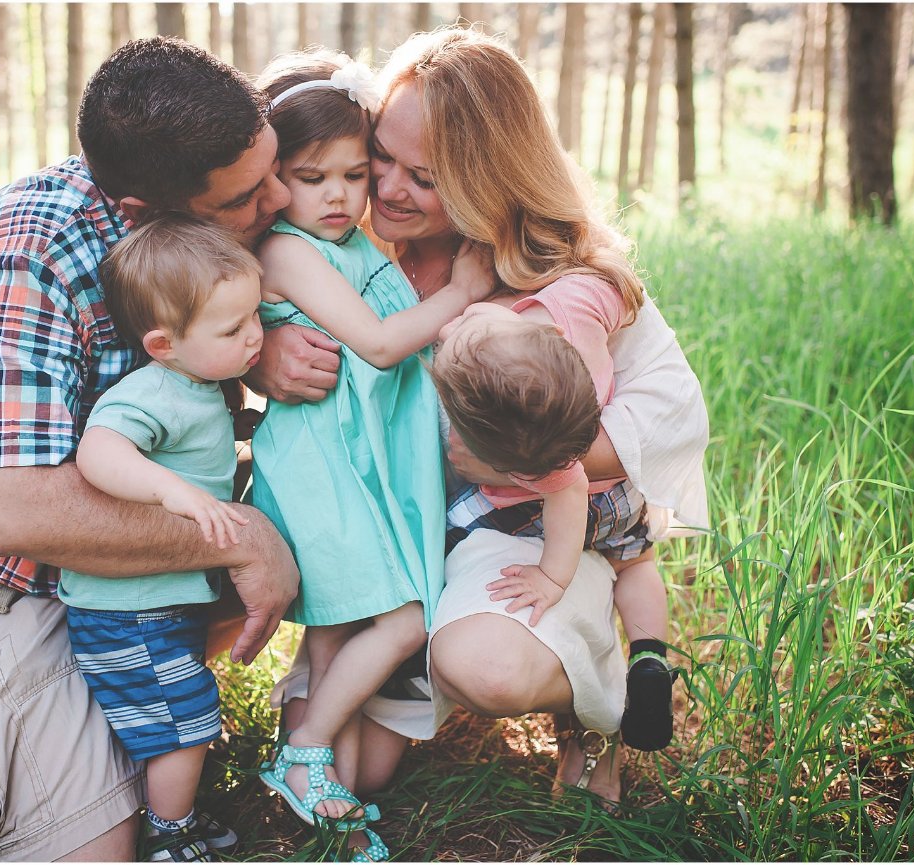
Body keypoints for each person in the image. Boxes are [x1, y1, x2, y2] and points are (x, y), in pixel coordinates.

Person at [0, 37, 297, 862]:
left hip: (102, 553)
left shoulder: (209, 200)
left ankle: (83, 710)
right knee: (95, 848)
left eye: (272, 168)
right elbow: (10, 513)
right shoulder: (26, 255)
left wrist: (283, 338)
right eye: (245, 197)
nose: (280, 196)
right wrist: (240, 536)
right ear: (139, 212)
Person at [249, 27, 708, 808]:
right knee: (359, 774)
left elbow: (572, 455)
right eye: (378, 158)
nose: (383, 188)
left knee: (485, 666)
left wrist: (483, 457)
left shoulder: (549, 291)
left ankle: (587, 703)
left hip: (520, 525)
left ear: (482, 181)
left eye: (420, 176)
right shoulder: (352, 225)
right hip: (395, 529)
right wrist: (267, 349)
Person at [245, 51, 492, 860]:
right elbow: (382, 348)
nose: (340, 196)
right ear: (275, 178)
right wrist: (459, 293)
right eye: (312, 177)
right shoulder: (287, 252)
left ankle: (329, 810)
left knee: (335, 640)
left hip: (364, 467)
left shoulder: (355, 247)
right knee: (404, 618)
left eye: (355, 175)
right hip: (323, 471)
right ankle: (304, 748)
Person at [59, 215, 264, 862]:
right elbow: (99, 450)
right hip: (127, 607)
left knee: (177, 707)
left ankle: (175, 810)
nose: (255, 336)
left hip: (157, 602)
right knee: (186, 717)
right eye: (233, 330)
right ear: (161, 344)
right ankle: (168, 832)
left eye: (256, 317)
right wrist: (170, 491)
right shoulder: (152, 392)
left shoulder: (199, 380)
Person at [432, 291, 676, 752]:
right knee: (637, 565)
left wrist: (550, 577)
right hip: (619, 496)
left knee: (459, 525)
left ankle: (617, 673)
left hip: (565, 508)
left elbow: (570, 489)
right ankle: (650, 656)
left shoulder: (543, 470)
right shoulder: (554, 365)